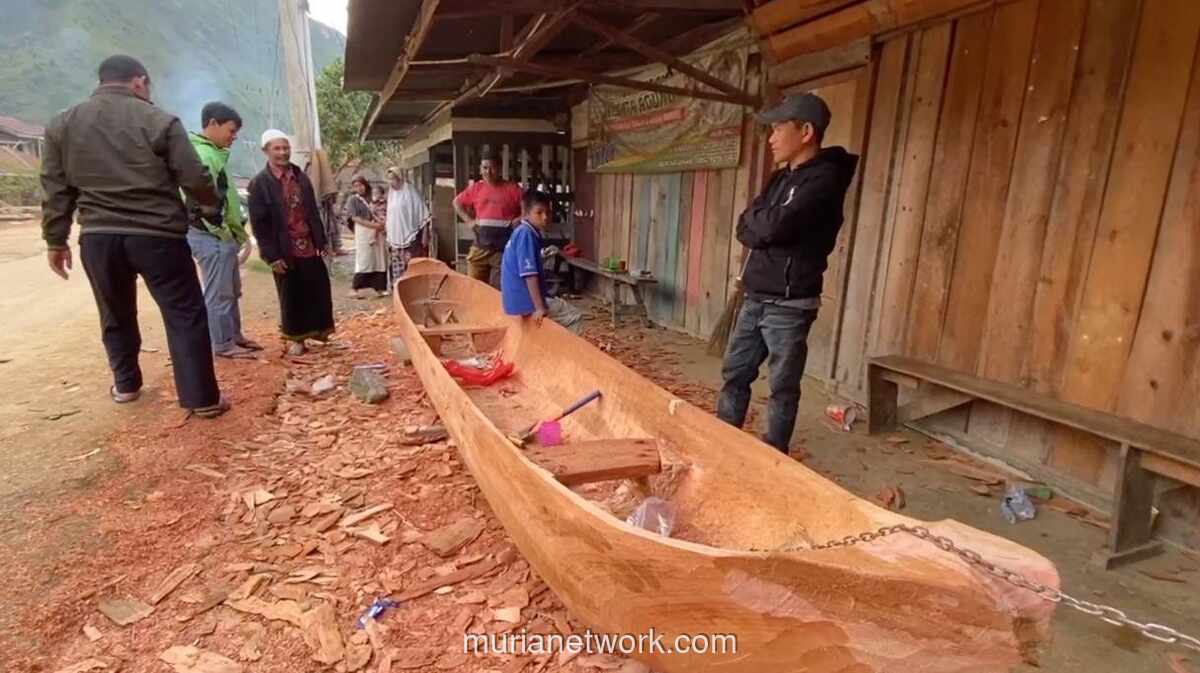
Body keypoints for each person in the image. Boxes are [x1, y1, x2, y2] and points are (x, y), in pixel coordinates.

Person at [40, 54, 230, 418]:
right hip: (156, 235)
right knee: (183, 313)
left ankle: (126, 385)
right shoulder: (159, 120)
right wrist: (206, 209)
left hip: (98, 235)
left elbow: (55, 186)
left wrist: (55, 239)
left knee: (114, 311)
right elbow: (193, 176)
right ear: (139, 81)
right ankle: (202, 398)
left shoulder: (63, 124)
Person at [716, 93, 859, 455]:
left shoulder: (824, 181)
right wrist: (762, 226)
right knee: (735, 374)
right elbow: (746, 226)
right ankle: (720, 444)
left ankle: (772, 458)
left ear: (806, 131)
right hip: (754, 296)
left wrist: (762, 227)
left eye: (779, 128)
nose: (771, 137)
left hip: (790, 305)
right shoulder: (780, 179)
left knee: (781, 387)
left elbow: (768, 228)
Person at [247, 129, 335, 356]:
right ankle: (297, 339)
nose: (283, 152)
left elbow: (313, 212)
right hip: (284, 247)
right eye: (277, 148)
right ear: (266, 151)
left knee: (317, 287)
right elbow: (260, 224)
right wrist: (271, 255)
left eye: (285, 147)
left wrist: (322, 241)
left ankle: (318, 332)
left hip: (307, 242)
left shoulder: (300, 177)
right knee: (291, 292)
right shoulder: (260, 184)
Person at [184, 101, 262, 359]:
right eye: (231, 130)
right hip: (210, 235)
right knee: (218, 292)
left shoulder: (214, 153)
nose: (234, 136)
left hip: (221, 234)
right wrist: (218, 229)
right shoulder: (204, 156)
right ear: (213, 124)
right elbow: (199, 201)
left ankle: (233, 336)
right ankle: (223, 344)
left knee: (230, 289)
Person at [500, 190, 583, 334]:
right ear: (525, 213)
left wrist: (543, 255)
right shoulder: (526, 234)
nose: (545, 217)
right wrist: (539, 307)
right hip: (525, 302)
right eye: (539, 212)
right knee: (575, 316)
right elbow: (529, 274)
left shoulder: (522, 231)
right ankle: (566, 355)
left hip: (515, 301)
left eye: (548, 212)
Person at [453, 152, 522, 287]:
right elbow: (456, 202)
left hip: (503, 250)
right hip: (480, 247)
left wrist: (519, 219)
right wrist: (468, 220)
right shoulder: (476, 188)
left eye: (492, 168)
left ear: (500, 169)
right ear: (480, 169)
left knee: (501, 290)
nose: (488, 172)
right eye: (484, 168)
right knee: (474, 287)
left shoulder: (513, 189)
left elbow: (529, 208)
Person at [384, 166, 431, 288]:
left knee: (412, 267)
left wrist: (425, 234)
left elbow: (423, 213)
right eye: (388, 179)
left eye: (393, 179)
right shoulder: (391, 194)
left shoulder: (410, 191)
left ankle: (414, 290)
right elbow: (390, 216)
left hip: (411, 237)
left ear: (399, 178)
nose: (391, 182)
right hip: (395, 238)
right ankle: (399, 291)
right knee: (397, 268)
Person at [346, 175, 388, 298]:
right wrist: (373, 226)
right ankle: (355, 288)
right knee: (364, 259)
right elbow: (355, 218)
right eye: (356, 186)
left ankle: (380, 288)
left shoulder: (373, 197)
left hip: (377, 230)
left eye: (361, 185)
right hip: (363, 231)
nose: (359, 188)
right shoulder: (353, 200)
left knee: (379, 259)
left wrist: (379, 225)